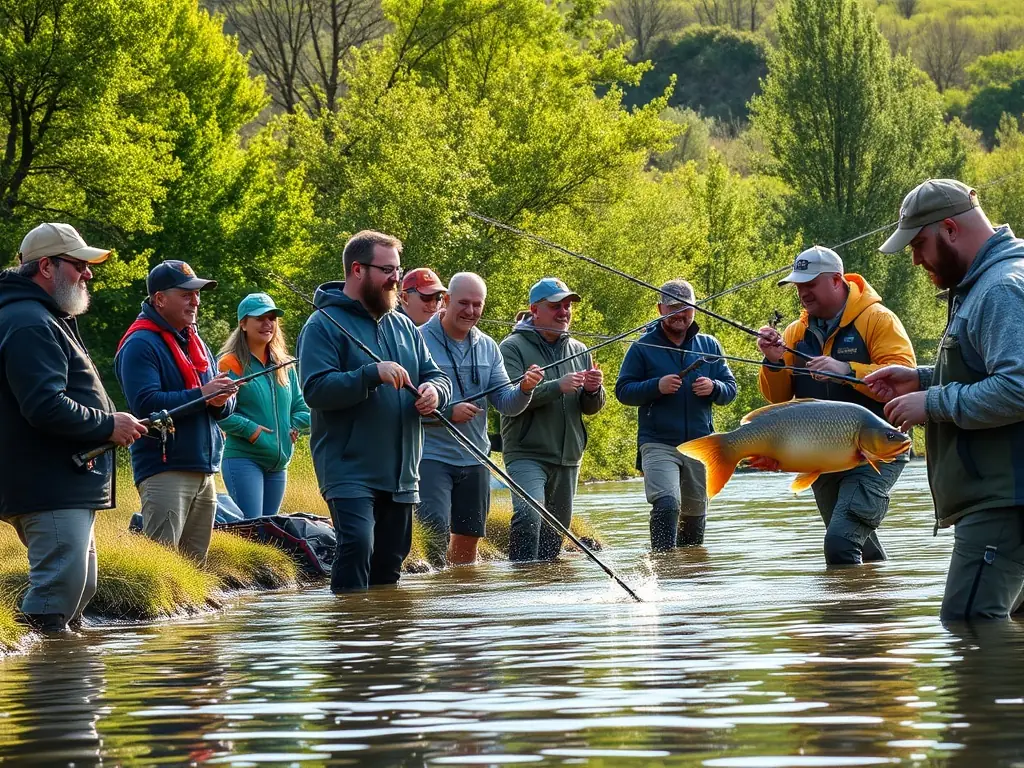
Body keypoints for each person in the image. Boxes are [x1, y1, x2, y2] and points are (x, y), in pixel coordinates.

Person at [865, 178, 1024, 620]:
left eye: (919, 244)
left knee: (969, 623)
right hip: (1004, 498)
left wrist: (930, 402)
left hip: (1005, 504)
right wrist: (919, 378)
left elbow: (1019, 387)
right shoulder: (991, 282)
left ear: (950, 229)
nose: (915, 259)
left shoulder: (1001, 289)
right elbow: (987, 369)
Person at [0, 223, 147, 633]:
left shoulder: (41, 316)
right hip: (47, 484)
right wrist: (108, 425)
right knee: (56, 592)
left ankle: (68, 681)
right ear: (46, 266)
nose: (88, 274)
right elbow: (44, 406)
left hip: (59, 481)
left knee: (78, 589)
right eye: (79, 264)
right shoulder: (29, 321)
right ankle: (44, 683)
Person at [297, 230, 452, 592]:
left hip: (401, 471)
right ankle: (349, 638)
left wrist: (435, 392)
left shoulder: (404, 325)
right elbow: (315, 390)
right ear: (357, 270)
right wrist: (371, 374)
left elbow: (435, 374)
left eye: (398, 270)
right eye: (387, 270)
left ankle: (385, 641)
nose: (396, 279)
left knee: (391, 558)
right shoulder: (322, 325)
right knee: (357, 546)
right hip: (348, 467)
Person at [756, 245, 916, 566]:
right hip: (823, 458)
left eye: (810, 283)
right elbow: (778, 399)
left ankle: (847, 616)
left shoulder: (878, 320)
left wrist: (848, 371)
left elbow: (906, 382)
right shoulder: (795, 333)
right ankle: (879, 606)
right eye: (798, 285)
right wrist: (773, 362)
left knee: (840, 542)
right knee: (858, 546)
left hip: (876, 452)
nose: (802, 292)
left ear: (836, 280)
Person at [418, 273, 545, 565]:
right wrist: (448, 412)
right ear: (446, 301)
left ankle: (463, 602)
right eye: (463, 303)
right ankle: (434, 602)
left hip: (475, 458)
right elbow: (403, 401)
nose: (471, 311)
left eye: (478, 305)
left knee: (468, 539)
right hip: (430, 456)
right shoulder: (418, 339)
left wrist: (525, 388)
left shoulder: (488, 346)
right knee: (433, 532)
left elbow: (507, 405)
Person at [115, 261, 237, 562]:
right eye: (186, 294)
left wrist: (222, 401)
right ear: (160, 299)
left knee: (194, 569)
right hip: (165, 469)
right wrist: (203, 395)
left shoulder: (196, 342)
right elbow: (146, 404)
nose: (195, 301)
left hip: (204, 471)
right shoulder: (139, 344)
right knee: (164, 566)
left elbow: (218, 399)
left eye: (197, 294)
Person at [614, 279, 737, 551]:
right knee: (667, 503)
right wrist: (656, 386)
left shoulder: (710, 346)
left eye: (686, 308)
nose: (680, 314)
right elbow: (623, 391)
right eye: (673, 308)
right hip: (658, 442)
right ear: (660, 309)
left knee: (694, 519)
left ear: (695, 309)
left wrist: (714, 387)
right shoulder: (642, 347)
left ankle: (689, 580)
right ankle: (662, 567)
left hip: (700, 445)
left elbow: (731, 390)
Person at [498, 277, 606, 562]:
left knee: (554, 533)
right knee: (529, 515)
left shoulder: (579, 350)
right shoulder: (512, 347)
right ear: (535, 310)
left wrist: (594, 390)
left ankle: (545, 592)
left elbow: (590, 407)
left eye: (568, 306)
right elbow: (506, 397)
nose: (564, 312)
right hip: (526, 452)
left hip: (569, 456)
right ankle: (522, 585)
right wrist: (557, 385)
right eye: (556, 306)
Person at [216, 293, 310, 519]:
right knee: (253, 529)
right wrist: (252, 431)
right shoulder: (230, 363)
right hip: (244, 458)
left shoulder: (284, 364)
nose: (267, 324)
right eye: (260, 318)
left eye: (272, 318)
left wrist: (293, 426)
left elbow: (302, 408)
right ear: (243, 323)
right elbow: (218, 412)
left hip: (279, 465)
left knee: (270, 534)